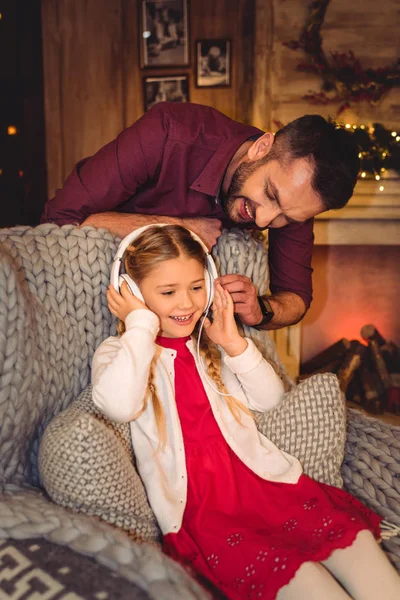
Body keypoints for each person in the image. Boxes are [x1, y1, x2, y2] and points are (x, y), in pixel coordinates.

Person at [91, 223, 400, 600]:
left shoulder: (211, 348)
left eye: (196, 286)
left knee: (370, 566)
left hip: (267, 488)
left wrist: (234, 344)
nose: (186, 303)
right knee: (312, 585)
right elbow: (118, 405)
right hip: (207, 514)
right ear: (132, 293)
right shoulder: (121, 354)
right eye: (168, 292)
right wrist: (140, 323)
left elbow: (269, 399)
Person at [41, 102, 360, 331]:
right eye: (270, 195)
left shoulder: (294, 197)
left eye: (285, 218)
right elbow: (56, 221)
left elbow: (297, 299)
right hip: (92, 293)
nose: (263, 222)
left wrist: (260, 309)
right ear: (262, 147)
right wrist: (176, 229)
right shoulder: (169, 132)